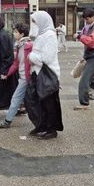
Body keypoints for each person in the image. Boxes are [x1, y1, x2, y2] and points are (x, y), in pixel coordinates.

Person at [27, 10, 63, 139]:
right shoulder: (41, 35)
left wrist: (31, 56)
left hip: (48, 74)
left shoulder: (49, 35)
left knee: (49, 103)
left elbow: (46, 58)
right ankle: (42, 126)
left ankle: (51, 130)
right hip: (38, 74)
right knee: (40, 102)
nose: (33, 24)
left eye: (35, 21)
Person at [0, 23, 33, 128]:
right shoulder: (18, 45)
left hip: (27, 78)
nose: (14, 33)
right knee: (22, 100)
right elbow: (16, 64)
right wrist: (7, 74)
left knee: (16, 98)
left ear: (22, 34)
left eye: (16, 32)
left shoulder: (28, 45)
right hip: (23, 78)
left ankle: (7, 121)